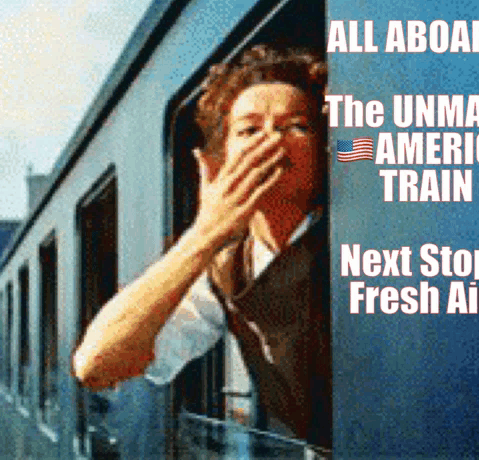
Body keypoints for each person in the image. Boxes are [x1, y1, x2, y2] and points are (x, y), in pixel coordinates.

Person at [73, 44, 332, 451]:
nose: (272, 142)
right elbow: (97, 364)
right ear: (217, 162)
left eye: (296, 126)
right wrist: (204, 233)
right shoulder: (224, 269)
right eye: (249, 130)